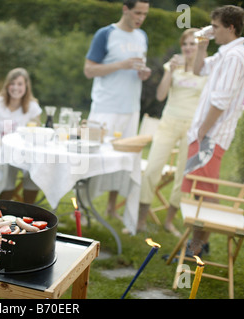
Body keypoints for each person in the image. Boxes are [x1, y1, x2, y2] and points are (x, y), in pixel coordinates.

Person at [182, 5, 244, 256]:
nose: (213, 31)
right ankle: (197, 244)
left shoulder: (235, 57)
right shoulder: (225, 53)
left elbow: (221, 101)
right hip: (205, 134)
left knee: (204, 192)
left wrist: (203, 131)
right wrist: (202, 42)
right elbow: (197, 69)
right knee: (198, 191)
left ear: (231, 27)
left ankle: (199, 245)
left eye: (217, 27)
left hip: (210, 136)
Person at [137, 28, 208, 236]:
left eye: (192, 44)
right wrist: (170, 71)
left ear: (200, 47)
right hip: (168, 123)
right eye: (185, 44)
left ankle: (169, 221)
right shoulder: (173, 65)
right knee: (152, 169)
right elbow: (160, 96)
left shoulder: (207, 69)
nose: (188, 48)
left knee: (183, 176)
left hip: (192, 128)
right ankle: (140, 221)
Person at [84, 0, 151, 219]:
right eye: (137, 13)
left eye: (145, 14)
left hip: (131, 109)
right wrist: (120, 65)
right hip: (105, 108)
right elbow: (89, 70)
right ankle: (83, 209)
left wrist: (143, 73)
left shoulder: (142, 37)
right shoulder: (105, 34)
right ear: (125, 9)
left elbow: (139, 68)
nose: (141, 18)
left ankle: (111, 208)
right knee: (91, 160)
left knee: (123, 164)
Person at [0, 68, 42, 204]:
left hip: (23, 150)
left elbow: (37, 132)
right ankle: (2, 211)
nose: (16, 87)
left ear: (26, 86)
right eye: (12, 83)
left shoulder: (32, 106)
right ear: (7, 86)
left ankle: (29, 212)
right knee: (8, 167)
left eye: (20, 84)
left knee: (35, 167)